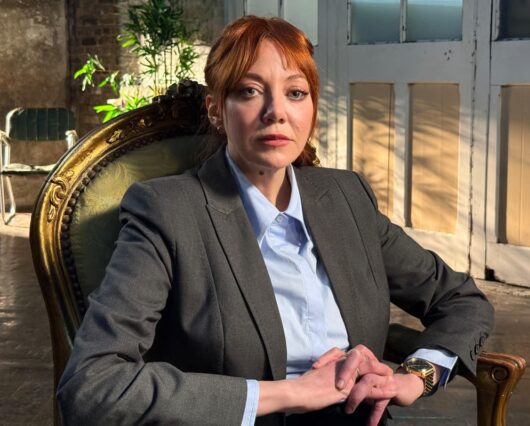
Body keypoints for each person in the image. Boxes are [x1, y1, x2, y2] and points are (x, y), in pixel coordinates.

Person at [57, 16, 494, 426]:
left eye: (296, 93)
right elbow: (92, 386)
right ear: (215, 109)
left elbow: (461, 301)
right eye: (249, 91)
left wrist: (414, 377)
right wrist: (289, 393)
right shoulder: (167, 211)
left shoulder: (346, 198)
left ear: (312, 108)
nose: (276, 112)